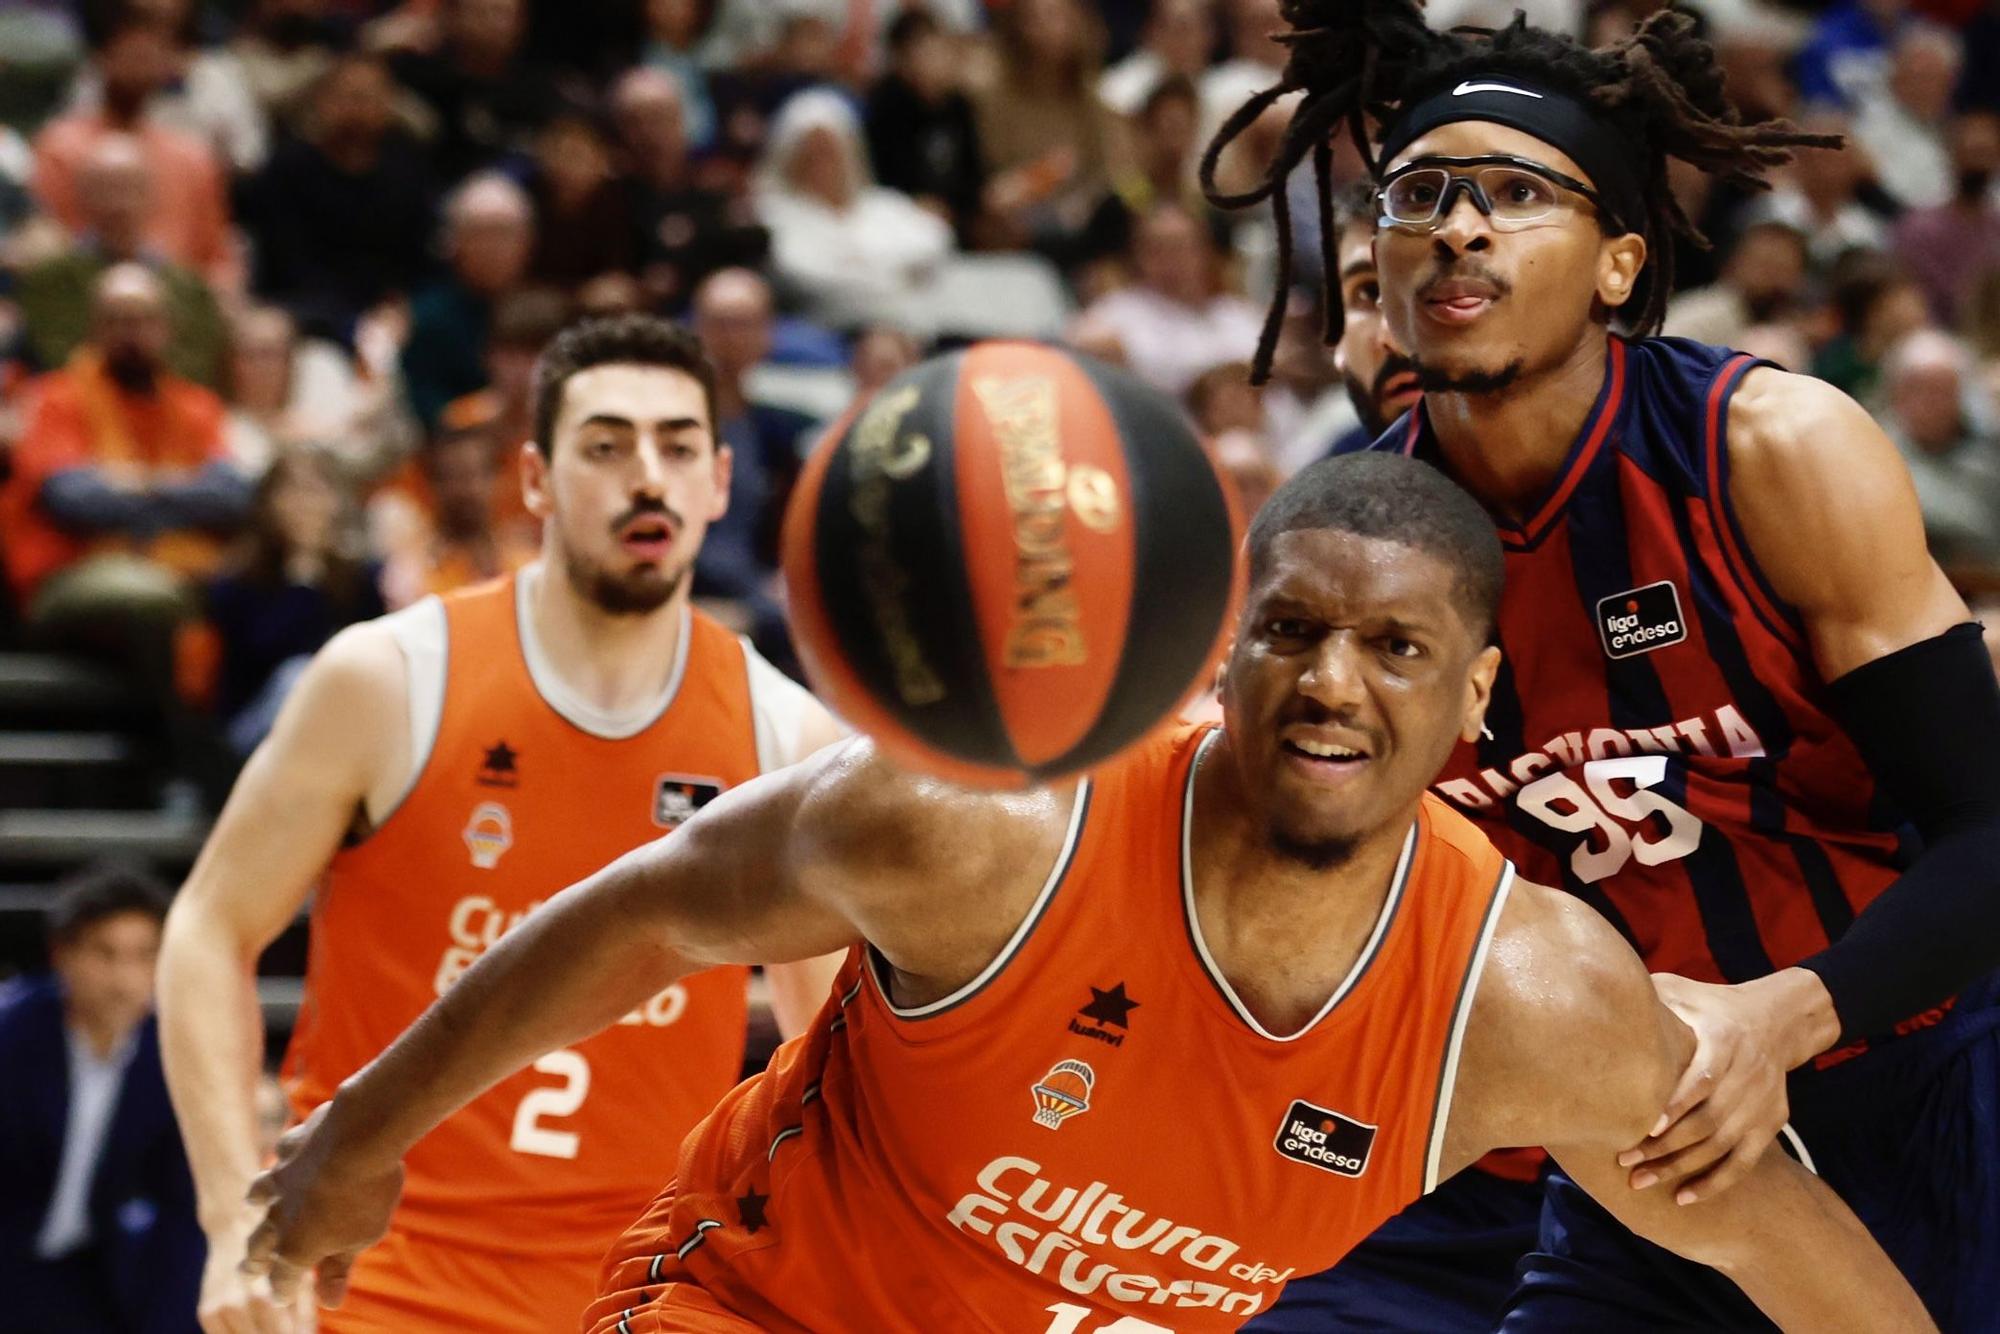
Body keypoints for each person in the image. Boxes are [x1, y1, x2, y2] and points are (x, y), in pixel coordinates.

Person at [235, 451, 1930, 1334]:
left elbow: (1777, 1242)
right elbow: (640, 909)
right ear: (1231, 646)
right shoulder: (977, 820)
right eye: (1295, 631)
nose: (1334, 681)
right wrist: (358, 1136)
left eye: (1396, 646)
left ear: (1475, 697)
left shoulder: (1532, 998)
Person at [1218, 3, 2000, 1325]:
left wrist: (1782, 1016)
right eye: (1421, 194)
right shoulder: (1345, 543)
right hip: (1635, 1138)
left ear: (1621, 263)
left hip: (1916, 1068)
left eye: (1518, 191)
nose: (1460, 225)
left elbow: (1990, 830)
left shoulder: (1768, 449)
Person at [159, 314, 846, 1334]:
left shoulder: (783, 732)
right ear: (533, 479)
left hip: (638, 1295)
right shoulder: (389, 678)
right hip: (374, 1284)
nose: (645, 476)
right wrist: (231, 1219)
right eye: (606, 446)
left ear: (717, 482)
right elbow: (208, 929)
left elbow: (832, 1062)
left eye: (677, 446)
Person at [0, 863, 203, 1334]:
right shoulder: (12, 1038)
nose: (124, 978)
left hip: (100, 1274)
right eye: (105, 954)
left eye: (144, 956)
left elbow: (182, 1206)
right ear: (62, 955)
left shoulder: (172, 1051)